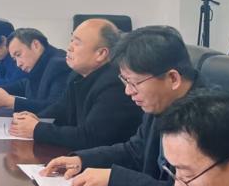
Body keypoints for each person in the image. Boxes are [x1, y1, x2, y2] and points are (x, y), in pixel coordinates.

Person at [40, 25, 196, 186]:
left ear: (172, 78)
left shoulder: (206, 120)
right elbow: (135, 150)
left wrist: (114, 179)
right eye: (125, 81)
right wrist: (82, 160)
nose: (128, 91)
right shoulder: (161, 100)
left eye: (134, 82)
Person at [9, 19, 142, 148]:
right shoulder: (77, 75)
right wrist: (37, 118)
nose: (69, 47)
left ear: (101, 54)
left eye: (77, 43)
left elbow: (91, 137)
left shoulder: (114, 84)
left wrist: (37, 129)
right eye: (71, 40)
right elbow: (61, 108)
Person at [0, 28, 70, 114]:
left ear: (36, 45)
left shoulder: (60, 64)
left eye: (18, 54)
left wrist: (11, 102)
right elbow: (24, 84)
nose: (18, 64)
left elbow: (55, 108)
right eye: (14, 59)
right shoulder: (38, 65)